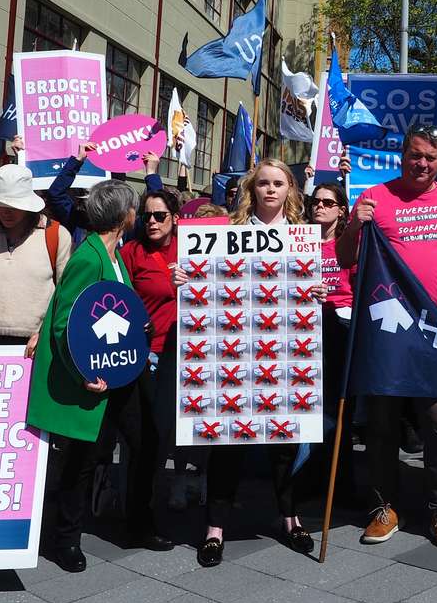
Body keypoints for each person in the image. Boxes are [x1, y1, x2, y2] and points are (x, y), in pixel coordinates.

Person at [337, 125, 437, 550]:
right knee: (380, 426)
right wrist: (353, 227)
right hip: (387, 332)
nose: (422, 164)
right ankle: (382, 509)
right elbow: (345, 259)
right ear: (403, 155)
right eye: (415, 155)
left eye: (431, 158)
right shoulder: (374, 198)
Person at [177, 159, 316, 567]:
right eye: (263, 184)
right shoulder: (227, 233)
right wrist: (187, 279)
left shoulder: (301, 237)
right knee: (227, 443)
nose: (270, 190)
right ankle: (215, 529)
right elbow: (206, 279)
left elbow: (304, 287)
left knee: (286, 443)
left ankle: (291, 518)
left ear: (290, 190)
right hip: (233, 351)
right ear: (251, 190)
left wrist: (316, 290)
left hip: (288, 350)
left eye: (278, 183)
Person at [28, 180, 172, 573]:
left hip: (125, 371)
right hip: (94, 380)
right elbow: (64, 323)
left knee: (145, 446)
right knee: (84, 460)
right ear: (126, 216)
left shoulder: (116, 256)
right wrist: (82, 374)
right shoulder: (88, 258)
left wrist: (139, 328)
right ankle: (66, 540)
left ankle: (139, 524)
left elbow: (117, 310)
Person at [119, 189, 203, 513]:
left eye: (160, 215)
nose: (152, 221)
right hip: (148, 354)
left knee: (183, 425)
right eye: (147, 216)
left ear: (176, 219)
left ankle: (179, 481)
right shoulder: (132, 252)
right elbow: (120, 298)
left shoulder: (192, 248)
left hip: (187, 352)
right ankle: (132, 494)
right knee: (146, 430)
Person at [0, 165, 72, 350]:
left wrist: (46, 334)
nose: (6, 211)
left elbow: (66, 295)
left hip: (33, 344)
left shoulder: (56, 235)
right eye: (1, 204)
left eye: (14, 205)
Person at [309, 181, 358, 507]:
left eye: (328, 202)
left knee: (338, 409)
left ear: (342, 210)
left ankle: (340, 480)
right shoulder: (298, 242)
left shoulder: (349, 245)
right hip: (307, 328)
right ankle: (312, 476)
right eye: (316, 201)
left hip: (341, 325)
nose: (320, 207)